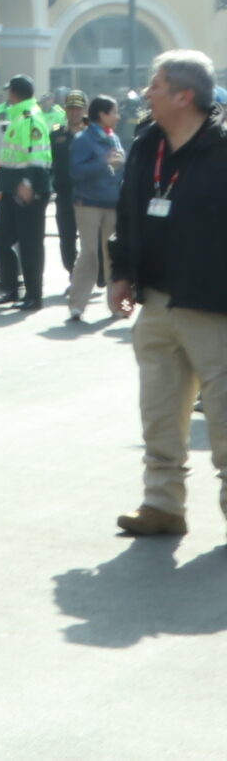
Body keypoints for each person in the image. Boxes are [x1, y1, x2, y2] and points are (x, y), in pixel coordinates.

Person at [107, 51, 227, 537]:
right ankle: (162, 504)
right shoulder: (145, 144)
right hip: (155, 301)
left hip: (214, 305)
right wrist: (120, 273)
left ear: (185, 96)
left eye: (155, 84)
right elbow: (127, 212)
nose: (146, 92)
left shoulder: (222, 148)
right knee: (158, 411)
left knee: (223, 417)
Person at [0, 76, 55, 310]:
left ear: (14, 93)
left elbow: (37, 155)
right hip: (11, 189)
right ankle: (10, 288)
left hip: (28, 190)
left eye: (9, 91)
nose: (7, 94)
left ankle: (33, 296)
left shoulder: (30, 118)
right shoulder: (19, 116)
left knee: (30, 245)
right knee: (0, 238)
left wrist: (28, 182)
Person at [68, 96, 126, 324]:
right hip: (88, 203)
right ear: (102, 115)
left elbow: (121, 166)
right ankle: (77, 305)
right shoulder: (83, 139)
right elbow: (75, 171)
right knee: (90, 253)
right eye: (114, 111)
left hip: (112, 203)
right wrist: (104, 162)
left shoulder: (114, 137)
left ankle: (119, 306)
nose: (118, 116)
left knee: (114, 255)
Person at [51, 91, 86, 279]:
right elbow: (50, 162)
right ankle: (73, 273)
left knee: (91, 239)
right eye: (71, 109)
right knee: (66, 237)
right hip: (65, 194)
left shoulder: (93, 133)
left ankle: (92, 274)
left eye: (78, 109)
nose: (75, 113)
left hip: (88, 194)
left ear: (85, 110)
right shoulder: (56, 134)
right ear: (65, 110)